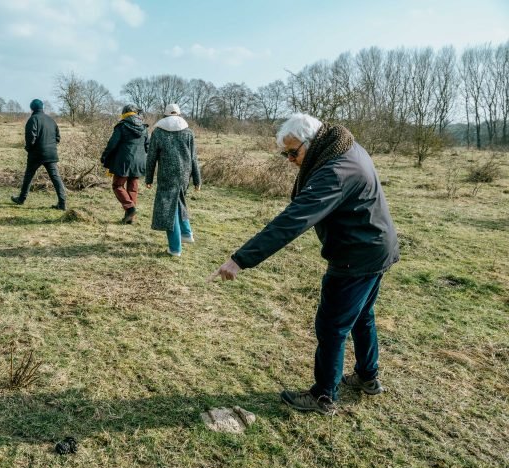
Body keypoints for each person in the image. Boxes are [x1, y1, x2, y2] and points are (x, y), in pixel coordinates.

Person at [208, 113, 400, 415]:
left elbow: (293, 219)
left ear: (311, 143)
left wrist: (240, 259)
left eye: (292, 152)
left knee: (332, 327)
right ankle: (367, 377)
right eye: (285, 153)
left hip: (356, 256)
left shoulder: (336, 171)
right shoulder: (343, 146)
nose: (289, 159)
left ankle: (324, 396)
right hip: (376, 247)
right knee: (362, 316)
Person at [145, 103, 201, 256]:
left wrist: (148, 178)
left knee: (169, 210)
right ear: (179, 114)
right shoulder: (188, 132)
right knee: (179, 202)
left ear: (165, 115)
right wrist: (197, 180)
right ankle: (187, 234)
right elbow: (194, 157)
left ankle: (175, 248)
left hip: (167, 176)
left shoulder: (158, 132)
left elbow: (151, 157)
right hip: (184, 175)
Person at [11, 99, 66, 210]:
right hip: (51, 153)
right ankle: (62, 203)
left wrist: (29, 148)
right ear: (42, 107)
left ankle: (21, 199)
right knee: (56, 178)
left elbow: (31, 138)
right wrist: (51, 146)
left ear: (32, 108)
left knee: (29, 176)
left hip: (36, 154)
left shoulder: (33, 119)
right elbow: (57, 137)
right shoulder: (51, 120)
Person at [101, 104, 149, 224]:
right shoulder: (144, 128)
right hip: (139, 162)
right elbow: (147, 146)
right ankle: (130, 219)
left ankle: (130, 208)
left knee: (117, 185)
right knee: (133, 188)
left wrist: (104, 157)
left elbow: (112, 144)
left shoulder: (122, 126)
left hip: (124, 161)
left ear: (124, 113)